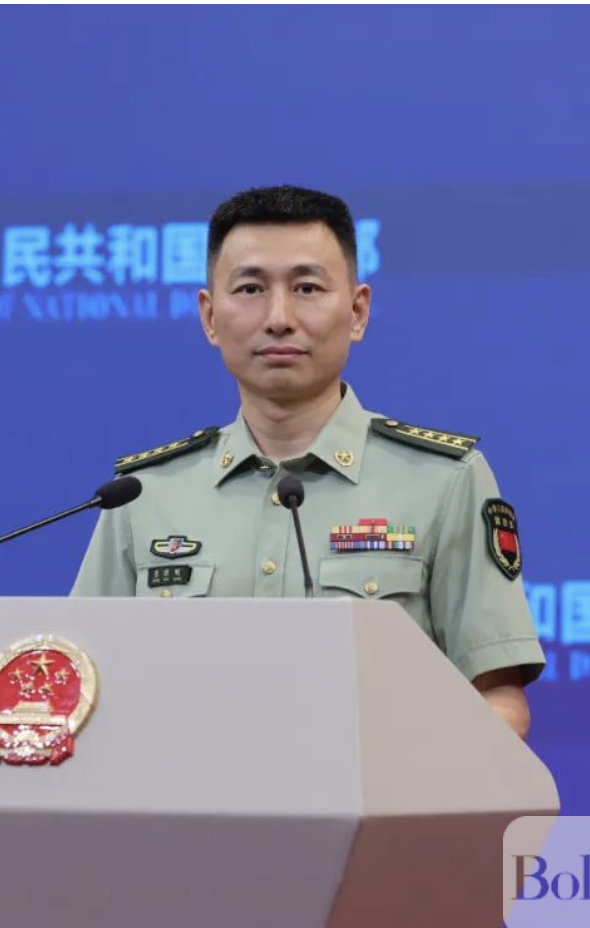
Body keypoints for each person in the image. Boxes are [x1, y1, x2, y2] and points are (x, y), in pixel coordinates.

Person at [71, 185, 544, 740]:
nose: (279, 318)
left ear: (358, 311)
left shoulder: (444, 480)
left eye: (307, 288)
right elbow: (83, 686)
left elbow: (499, 701)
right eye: (250, 289)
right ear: (210, 316)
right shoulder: (143, 494)